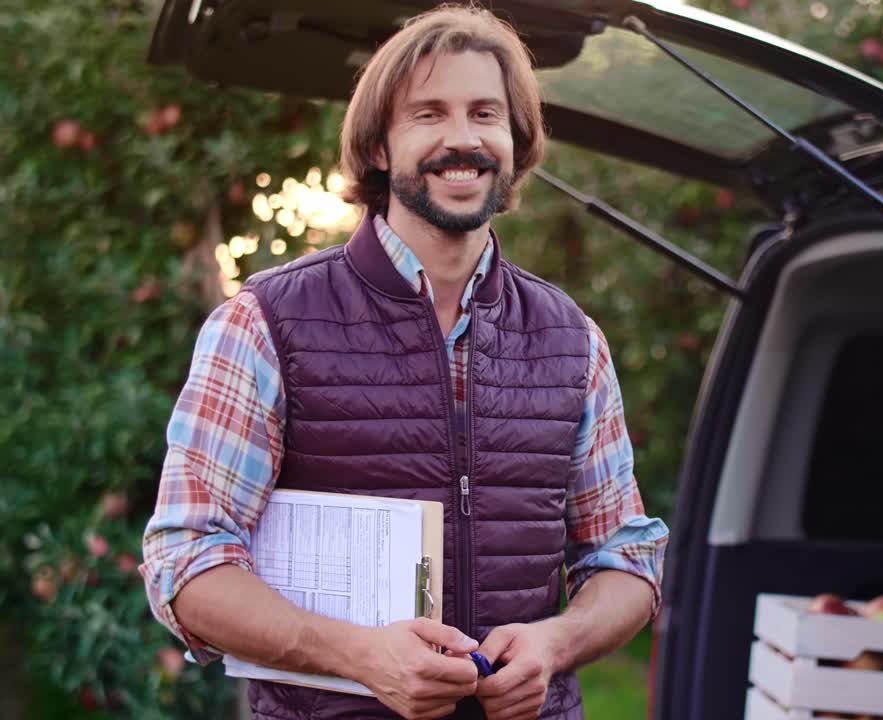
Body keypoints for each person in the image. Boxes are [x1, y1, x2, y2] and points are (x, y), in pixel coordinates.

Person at [140, 7, 668, 720]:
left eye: (486, 113)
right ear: (380, 148)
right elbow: (186, 561)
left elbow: (625, 561)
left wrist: (559, 642)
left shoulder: (572, 340)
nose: (462, 138)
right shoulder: (264, 324)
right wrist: (358, 656)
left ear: (515, 140)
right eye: (428, 113)